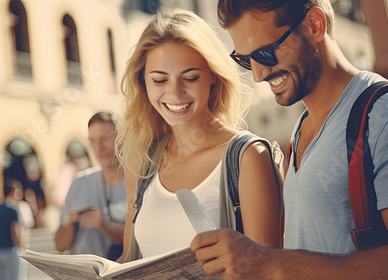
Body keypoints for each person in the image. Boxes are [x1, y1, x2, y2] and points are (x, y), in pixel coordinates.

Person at [190, 1, 388, 279]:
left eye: (267, 54)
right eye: (246, 60)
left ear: (314, 25)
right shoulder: (301, 129)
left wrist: (270, 263)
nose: (258, 75)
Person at [115, 8, 283, 263]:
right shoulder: (142, 160)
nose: (175, 93)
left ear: (213, 77)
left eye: (190, 77)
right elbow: (129, 259)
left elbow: (270, 268)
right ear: (143, 82)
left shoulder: (248, 157)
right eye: (159, 80)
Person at [54, 112, 126, 261]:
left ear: (122, 139)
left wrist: (104, 225)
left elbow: (140, 241)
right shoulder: (80, 182)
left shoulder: (140, 183)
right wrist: (70, 222)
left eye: (104, 139)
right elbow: (60, 246)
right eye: (92, 141)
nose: (98, 147)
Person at [0, 178, 22, 280]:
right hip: (10, 250)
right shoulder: (13, 211)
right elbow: (15, 231)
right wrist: (21, 247)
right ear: (13, 192)